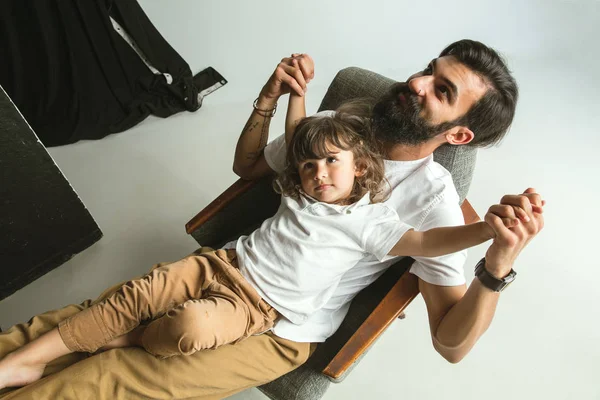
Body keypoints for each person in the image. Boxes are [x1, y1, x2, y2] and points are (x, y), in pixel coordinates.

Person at [0, 40, 544, 399]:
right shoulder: (338, 128)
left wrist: (496, 267)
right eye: (430, 70)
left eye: (442, 91)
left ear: (459, 134)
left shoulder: (433, 204)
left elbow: (451, 345)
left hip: (280, 327)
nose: (418, 83)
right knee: (69, 324)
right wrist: (268, 100)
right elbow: (251, 167)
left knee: (105, 379)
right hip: (229, 267)